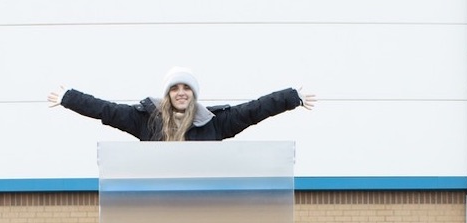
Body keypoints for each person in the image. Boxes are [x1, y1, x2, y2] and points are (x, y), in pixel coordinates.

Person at [47, 66, 316, 141]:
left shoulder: (215, 123)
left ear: (194, 94)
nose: (181, 92)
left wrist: (291, 97)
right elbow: (106, 110)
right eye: (175, 88)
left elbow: (255, 110)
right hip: (159, 202)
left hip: (201, 203)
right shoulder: (146, 121)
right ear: (167, 94)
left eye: (187, 87)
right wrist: (70, 98)